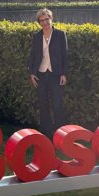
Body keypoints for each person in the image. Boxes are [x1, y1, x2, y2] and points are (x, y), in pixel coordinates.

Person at [28, 7, 68, 136]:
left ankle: (60, 133)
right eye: (41, 20)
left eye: (46, 19)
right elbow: (33, 56)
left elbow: (65, 55)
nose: (44, 22)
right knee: (43, 104)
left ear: (51, 18)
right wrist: (32, 73)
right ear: (39, 22)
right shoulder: (37, 36)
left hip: (56, 74)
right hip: (40, 74)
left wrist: (64, 74)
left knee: (57, 104)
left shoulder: (60, 34)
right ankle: (46, 133)